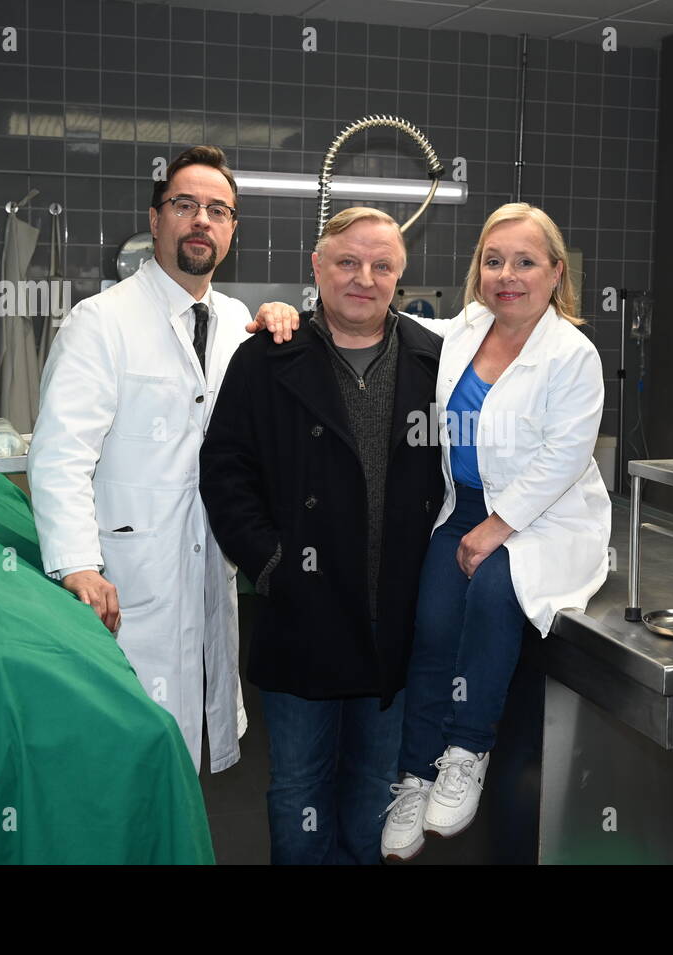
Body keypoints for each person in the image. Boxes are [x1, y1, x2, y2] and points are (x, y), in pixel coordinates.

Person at [28, 145, 295, 774]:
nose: (201, 219)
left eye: (218, 210)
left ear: (231, 230)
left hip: (208, 570)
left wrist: (285, 321)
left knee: (192, 760)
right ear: (155, 220)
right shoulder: (100, 322)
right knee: (121, 761)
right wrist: (77, 568)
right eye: (185, 205)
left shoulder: (238, 323)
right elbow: (60, 455)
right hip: (124, 576)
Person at [198, 207, 444, 864]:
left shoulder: (433, 362)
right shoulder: (266, 359)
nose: (363, 278)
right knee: (300, 787)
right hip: (302, 615)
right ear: (317, 267)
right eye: (347, 262)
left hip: (392, 622)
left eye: (381, 265)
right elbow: (225, 470)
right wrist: (271, 563)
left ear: (400, 273)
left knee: (374, 790)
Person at [380, 202, 611, 861]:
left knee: (489, 593)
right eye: (493, 259)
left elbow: (564, 456)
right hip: (465, 505)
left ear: (556, 272)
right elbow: (385, 328)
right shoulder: (464, 330)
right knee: (429, 623)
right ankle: (417, 773)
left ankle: (467, 748)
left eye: (525, 261)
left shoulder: (572, 353)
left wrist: (497, 528)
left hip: (542, 517)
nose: (507, 274)